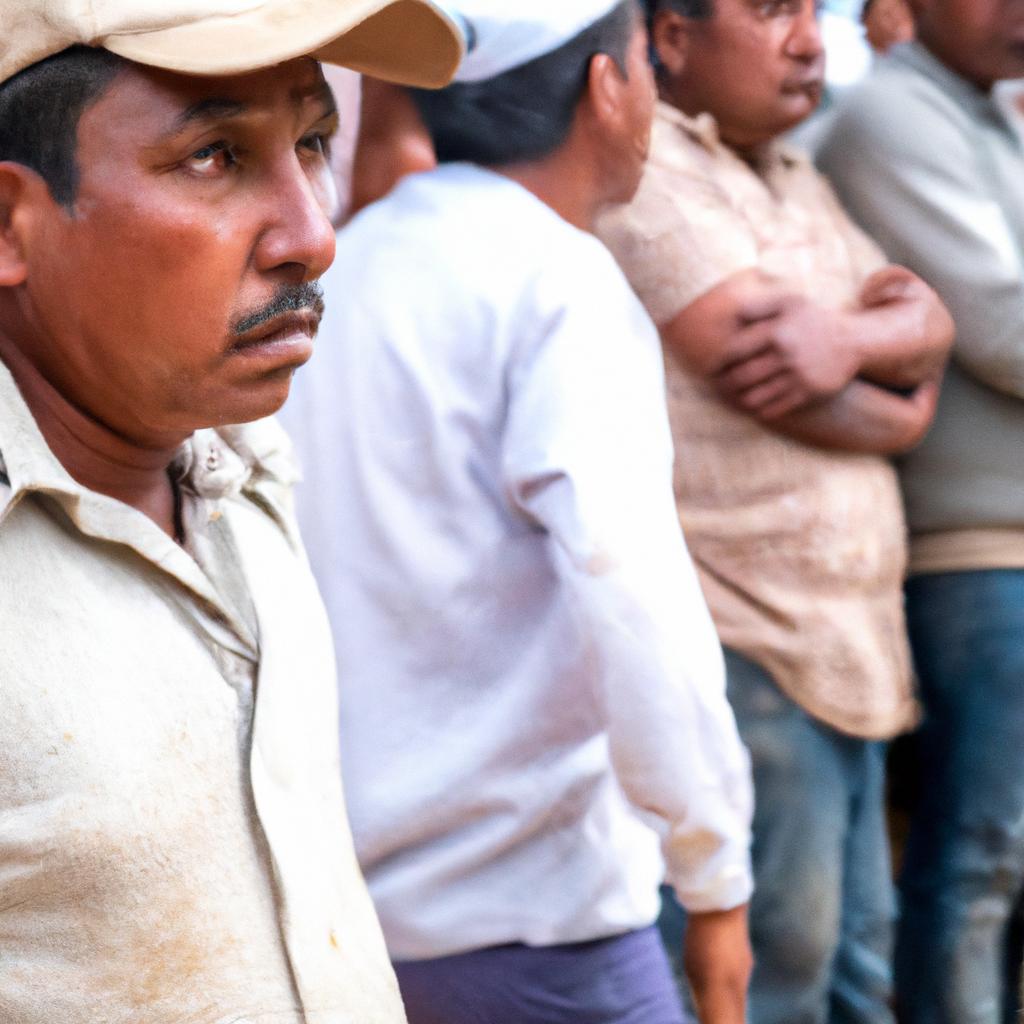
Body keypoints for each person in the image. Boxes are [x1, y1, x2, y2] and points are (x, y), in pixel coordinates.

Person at [280, 2, 756, 1022]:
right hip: (540, 920)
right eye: (644, 66)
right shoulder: (559, 279)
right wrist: (715, 877)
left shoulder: (346, 268)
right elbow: (631, 593)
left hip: (352, 924)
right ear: (605, 85)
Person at [0, 0, 464, 1021]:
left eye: (311, 143)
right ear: (9, 223)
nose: (312, 236)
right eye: (214, 156)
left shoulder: (240, 467)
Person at [596, 2, 954, 1022]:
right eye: (769, 11)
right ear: (668, 37)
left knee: (857, 964)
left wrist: (856, 343)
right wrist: (898, 366)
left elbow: (919, 317)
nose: (807, 41)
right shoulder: (649, 170)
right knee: (776, 970)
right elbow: (773, 374)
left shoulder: (798, 173)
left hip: (852, 642)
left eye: (812, 12)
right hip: (749, 637)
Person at [818, 3, 1024, 1021]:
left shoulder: (987, 113)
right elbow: (999, 320)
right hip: (980, 553)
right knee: (981, 856)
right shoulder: (894, 114)